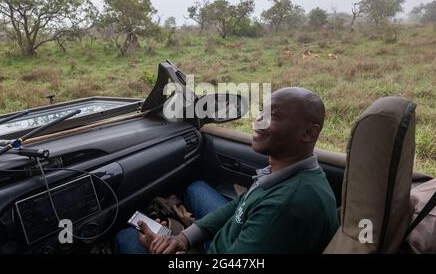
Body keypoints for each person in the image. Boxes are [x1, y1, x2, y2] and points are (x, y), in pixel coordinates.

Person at [114, 87, 339, 254]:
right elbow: (241, 203)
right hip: (237, 235)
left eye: (275, 116)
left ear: (308, 133)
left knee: (127, 238)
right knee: (196, 188)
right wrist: (184, 238)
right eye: (262, 111)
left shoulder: (285, 206)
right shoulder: (289, 171)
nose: (258, 120)